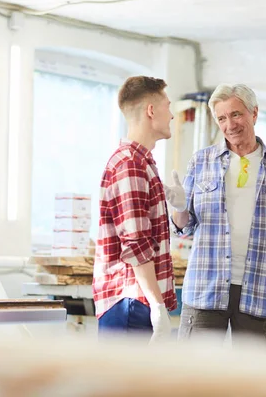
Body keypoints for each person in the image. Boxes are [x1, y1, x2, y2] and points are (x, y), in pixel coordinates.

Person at [165, 83, 266, 344]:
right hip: (206, 286)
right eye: (222, 118)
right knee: (196, 376)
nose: (230, 124)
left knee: (252, 378)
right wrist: (179, 207)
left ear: (254, 113)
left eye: (236, 114)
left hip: (258, 288)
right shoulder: (201, 161)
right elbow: (184, 226)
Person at [93, 76, 177, 342]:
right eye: (168, 106)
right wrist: (157, 305)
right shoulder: (130, 164)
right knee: (122, 385)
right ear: (151, 110)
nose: (172, 115)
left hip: (135, 301)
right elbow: (136, 244)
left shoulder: (142, 162)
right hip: (132, 301)